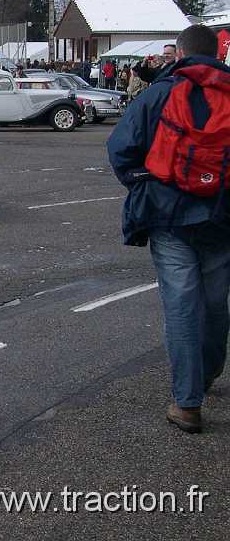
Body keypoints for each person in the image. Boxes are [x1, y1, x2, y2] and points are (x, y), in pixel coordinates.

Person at [107, 24, 230, 434]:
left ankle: (187, 402)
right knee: (215, 303)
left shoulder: (159, 94)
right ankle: (209, 372)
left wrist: (146, 184)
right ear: (218, 52)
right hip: (222, 216)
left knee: (180, 304)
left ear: (178, 53)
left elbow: (121, 149)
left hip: (169, 215)